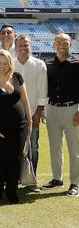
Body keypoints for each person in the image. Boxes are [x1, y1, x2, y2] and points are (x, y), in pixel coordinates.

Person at [0, 50, 31, 204]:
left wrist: (29, 123)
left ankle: (11, 190)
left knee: (15, 159)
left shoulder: (17, 77)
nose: (2, 66)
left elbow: (25, 101)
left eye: (5, 63)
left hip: (19, 128)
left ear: (10, 63)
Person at [43, 33, 79, 196]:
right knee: (54, 147)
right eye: (58, 42)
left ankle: (75, 183)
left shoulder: (77, 63)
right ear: (53, 45)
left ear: (70, 44)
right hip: (52, 109)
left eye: (64, 42)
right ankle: (57, 178)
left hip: (72, 110)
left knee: (75, 149)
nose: (61, 45)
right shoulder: (48, 64)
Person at [13, 35, 47, 181]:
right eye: (20, 45)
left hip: (33, 114)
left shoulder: (39, 64)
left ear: (30, 45)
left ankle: (32, 179)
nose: (23, 48)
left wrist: (38, 113)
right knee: (15, 147)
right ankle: (15, 177)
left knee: (33, 147)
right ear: (15, 46)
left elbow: (42, 90)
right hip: (13, 115)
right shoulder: (11, 64)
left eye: (26, 45)